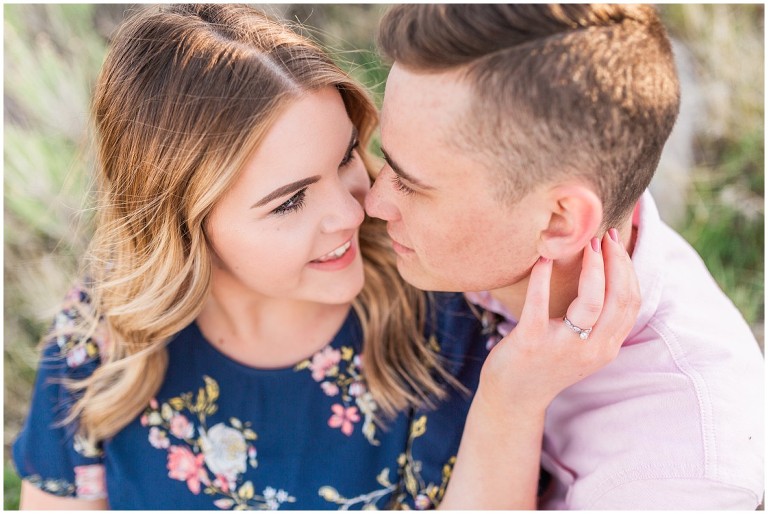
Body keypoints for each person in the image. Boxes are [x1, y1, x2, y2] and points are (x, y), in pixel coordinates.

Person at [11, 4, 640, 510]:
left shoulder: (444, 323)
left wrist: (511, 400)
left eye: (346, 157)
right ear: (185, 226)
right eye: (289, 203)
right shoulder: (105, 337)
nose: (354, 211)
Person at [366, 4, 765, 510]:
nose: (373, 204)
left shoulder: (679, 469)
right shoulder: (507, 238)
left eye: (410, 184)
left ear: (560, 222)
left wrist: (510, 401)